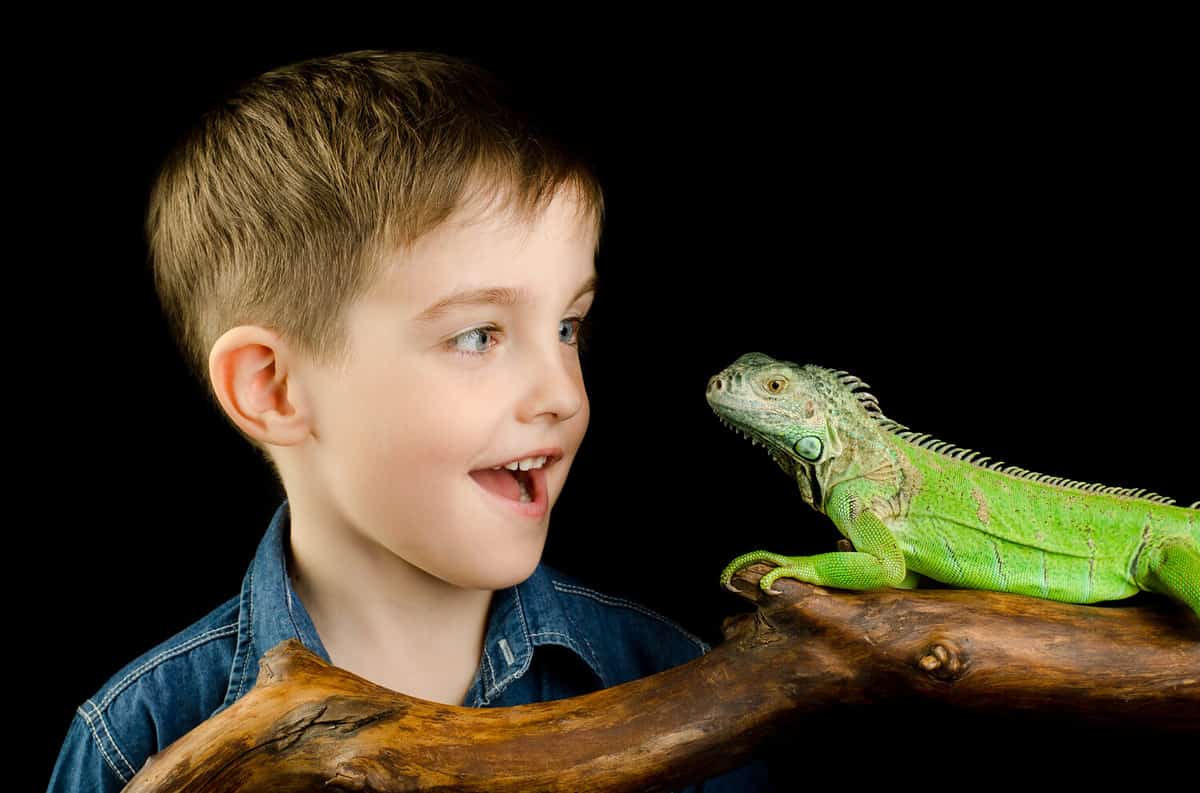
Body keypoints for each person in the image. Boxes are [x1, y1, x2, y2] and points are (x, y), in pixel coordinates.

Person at [46, 49, 773, 791]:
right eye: (477, 335)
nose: (561, 391)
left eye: (568, 327)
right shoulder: (142, 736)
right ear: (273, 388)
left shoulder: (675, 683)